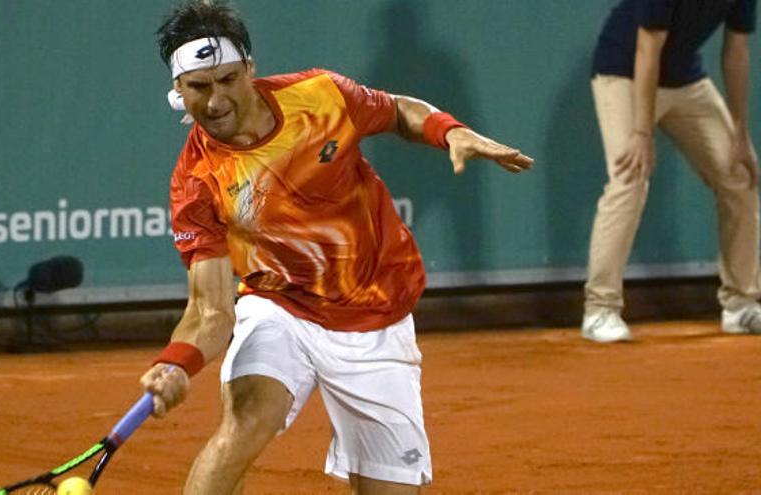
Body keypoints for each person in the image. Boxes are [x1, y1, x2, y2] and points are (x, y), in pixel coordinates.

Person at [139, 1, 533, 493]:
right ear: (178, 90)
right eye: (199, 86)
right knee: (247, 419)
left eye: (228, 80)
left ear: (250, 70)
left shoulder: (320, 96)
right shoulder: (197, 181)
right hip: (280, 305)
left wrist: (447, 131)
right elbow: (211, 309)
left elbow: (397, 111)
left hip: (375, 309)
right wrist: (177, 363)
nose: (216, 100)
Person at [582, 0, 760, 343]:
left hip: (684, 78)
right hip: (624, 70)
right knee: (629, 178)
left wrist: (740, 133)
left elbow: (737, 50)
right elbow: (647, 47)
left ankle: (742, 304)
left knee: (738, 175)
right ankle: (599, 310)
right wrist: (641, 132)